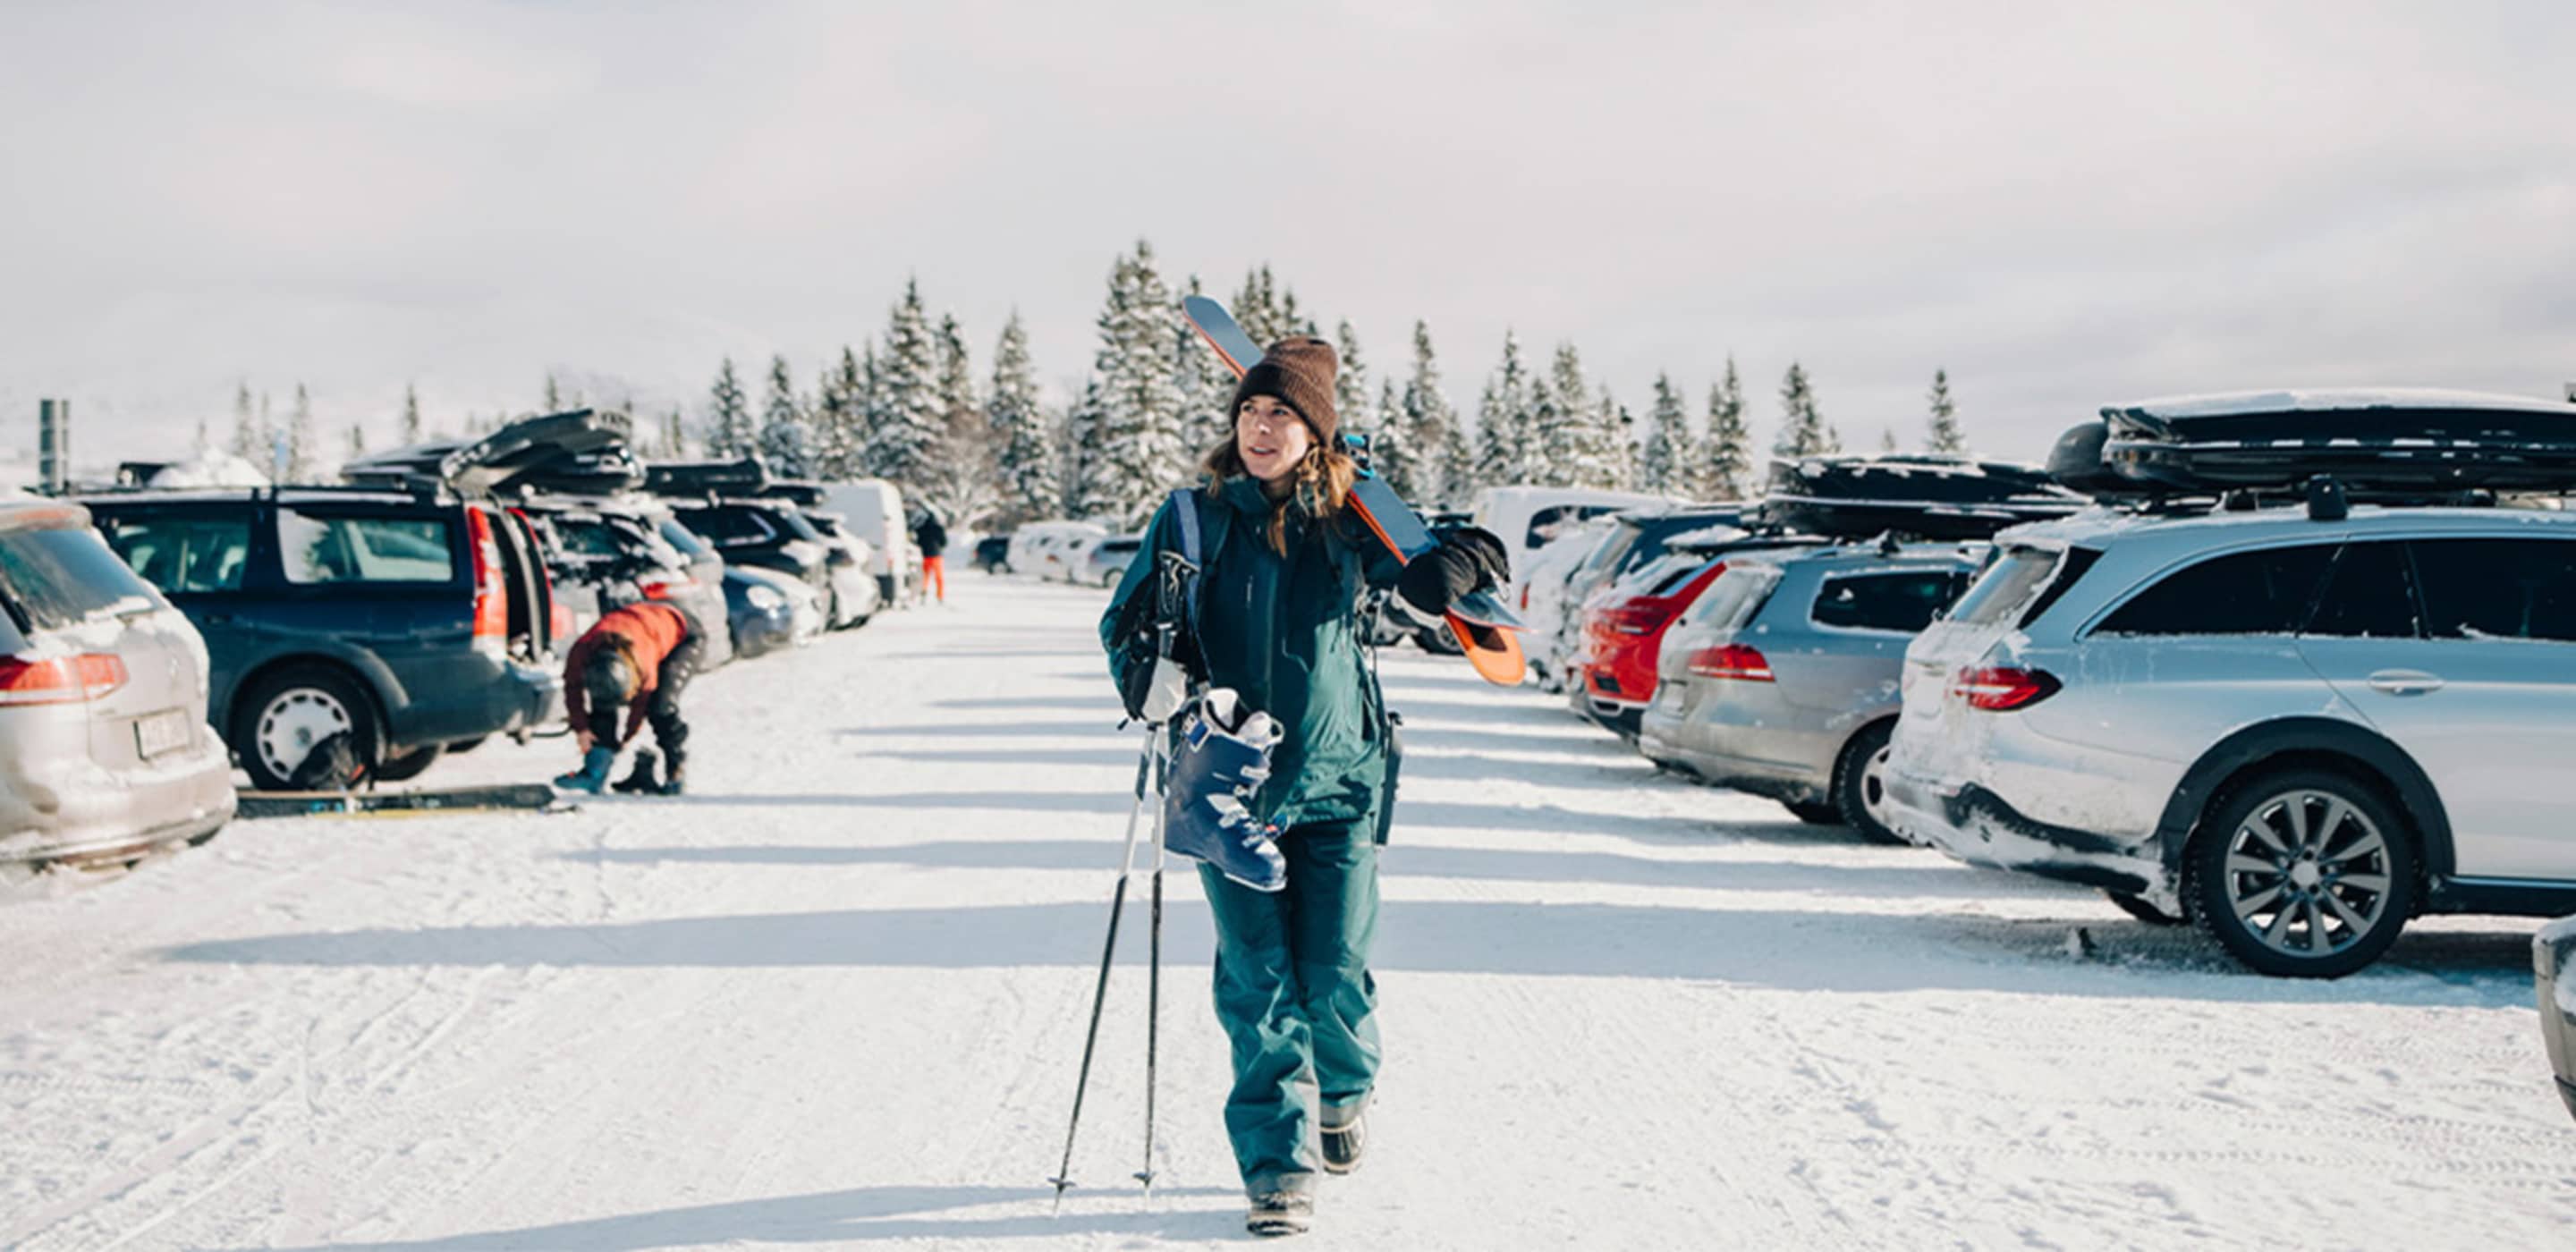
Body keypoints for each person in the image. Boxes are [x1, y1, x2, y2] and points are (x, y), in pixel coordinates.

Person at [1097, 336, 1504, 1239]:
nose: (1260, 427)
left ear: (1315, 433)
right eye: (1249, 411)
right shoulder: (1194, 517)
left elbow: (1472, 550)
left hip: (1340, 782)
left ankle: (1346, 1088)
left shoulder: (1351, 516)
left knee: (1334, 974)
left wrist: (1458, 571)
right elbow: (1123, 617)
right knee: (1258, 982)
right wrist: (1147, 675)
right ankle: (1277, 1169)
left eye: (1280, 413)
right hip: (1226, 787)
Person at [555, 599, 704, 796]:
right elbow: (572, 690)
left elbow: (640, 708)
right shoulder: (581, 651)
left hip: (683, 632)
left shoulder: (643, 664)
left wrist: (627, 738)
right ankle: (595, 772)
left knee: (660, 705)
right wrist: (582, 728)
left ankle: (675, 770)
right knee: (602, 702)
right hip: (640, 623)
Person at [912, 507, 948, 605]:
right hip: (937, 556)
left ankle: (923, 594)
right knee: (939, 578)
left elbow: (918, 542)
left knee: (925, 577)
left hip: (925, 556)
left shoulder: (921, 529)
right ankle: (940, 596)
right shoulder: (939, 529)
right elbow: (944, 542)